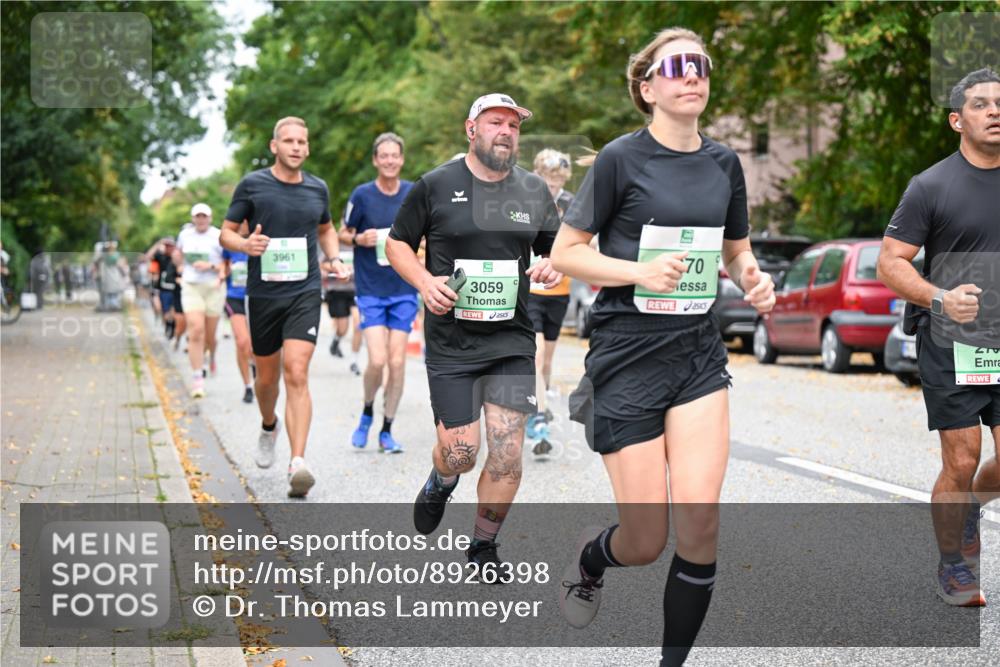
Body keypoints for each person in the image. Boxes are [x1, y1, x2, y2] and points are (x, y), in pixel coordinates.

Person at [550, 28, 776, 666]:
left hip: (696, 354)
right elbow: (566, 254)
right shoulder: (620, 159)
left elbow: (735, 251)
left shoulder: (724, 162)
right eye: (676, 66)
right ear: (647, 87)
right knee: (647, 540)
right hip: (626, 355)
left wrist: (752, 279)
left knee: (700, 523)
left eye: (700, 65)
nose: (692, 75)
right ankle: (593, 557)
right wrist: (638, 273)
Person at [386, 93, 562, 573]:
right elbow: (397, 244)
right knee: (461, 452)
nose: (506, 131)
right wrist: (424, 281)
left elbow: (558, 248)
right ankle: (442, 480)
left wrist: (550, 265)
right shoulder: (436, 185)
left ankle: (483, 547)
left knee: (507, 453)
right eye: (495, 122)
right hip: (451, 341)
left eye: (514, 125)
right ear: (471, 129)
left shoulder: (533, 190)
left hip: (510, 340)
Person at [877, 67, 1000, 608]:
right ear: (957, 119)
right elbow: (889, 263)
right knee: (961, 457)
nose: (994, 111)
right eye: (980, 104)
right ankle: (953, 565)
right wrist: (939, 298)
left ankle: (971, 505)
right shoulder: (931, 186)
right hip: (955, 340)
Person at [220, 116, 351, 498]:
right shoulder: (253, 185)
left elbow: (326, 228)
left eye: (302, 142)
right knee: (266, 379)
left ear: (307, 148)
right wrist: (245, 246)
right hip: (263, 294)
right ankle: (268, 424)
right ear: (274, 146)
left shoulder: (317, 188)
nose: (296, 147)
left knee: (296, 371)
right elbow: (226, 231)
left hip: (305, 291)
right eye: (288, 141)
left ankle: (298, 462)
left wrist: (332, 258)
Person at [340, 133, 419, 453]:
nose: (389, 161)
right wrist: (359, 239)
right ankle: (367, 411)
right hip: (371, 288)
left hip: (403, 288)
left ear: (401, 159)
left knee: (398, 363)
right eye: (383, 156)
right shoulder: (362, 195)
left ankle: (387, 429)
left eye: (394, 156)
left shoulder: (414, 193)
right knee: (377, 359)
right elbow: (341, 233)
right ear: (375, 160)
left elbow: (427, 232)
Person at [525, 149, 577, 454]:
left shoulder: (572, 203)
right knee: (537, 353)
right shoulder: (526, 198)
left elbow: (586, 238)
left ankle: (536, 401)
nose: (554, 186)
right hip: (532, 288)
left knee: (546, 361)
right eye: (549, 179)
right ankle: (538, 418)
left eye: (558, 180)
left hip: (560, 291)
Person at [175, 203, 226, 398]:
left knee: (210, 336)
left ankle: (211, 354)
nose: (201, 220)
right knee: (196, 329)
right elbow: (178, 255)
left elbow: (226, 264)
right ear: (193, 218)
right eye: (198, 216)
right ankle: (197, 378)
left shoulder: (218, 236)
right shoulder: (185, 235)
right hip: (191, 285)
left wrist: (212, 266)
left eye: (204, 216)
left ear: (210, 218)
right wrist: (179, 264)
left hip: (213, 287)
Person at [222, 221, 254, 404]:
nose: (243, 224)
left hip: (258, 297)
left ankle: (256, 366)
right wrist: (223, 272)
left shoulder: (260, 239)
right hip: (235, 296)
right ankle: (248, 385)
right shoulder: (229, 242)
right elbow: (223, 265)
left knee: (256, 346)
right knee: (242, 341)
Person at [322, 242, 362, 375]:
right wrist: (337, 267)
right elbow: (321, 264)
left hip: (355, 290)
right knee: (342, 329)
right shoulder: (333, 245)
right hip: (337, 291)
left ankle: (354, 361)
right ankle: (336, 340)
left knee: (358, 324)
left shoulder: (358, 244)